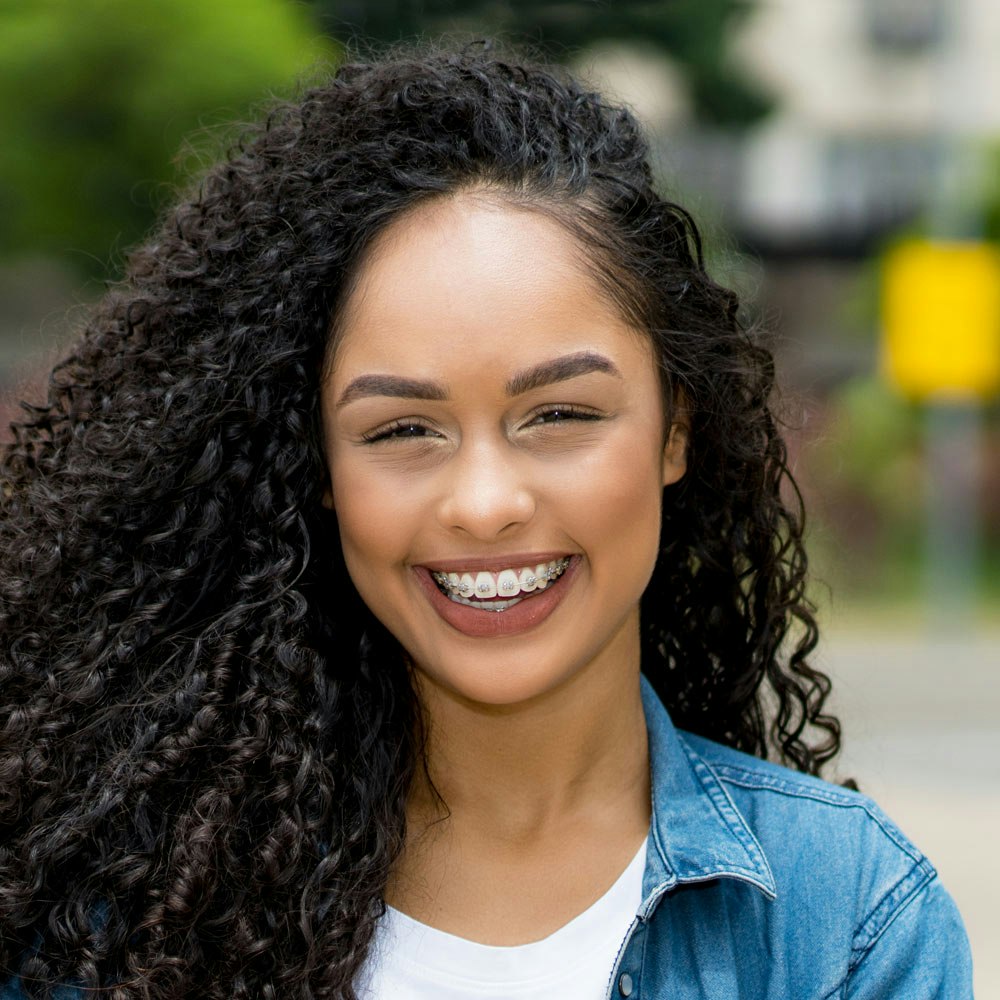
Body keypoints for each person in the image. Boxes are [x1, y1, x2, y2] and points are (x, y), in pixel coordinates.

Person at [0, 43, 972, 1000]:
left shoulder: (844, 921)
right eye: (403, 427)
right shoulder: (116, 905)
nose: (485, 502)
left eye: (559, 415)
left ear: (676, 429)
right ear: (321, 468)